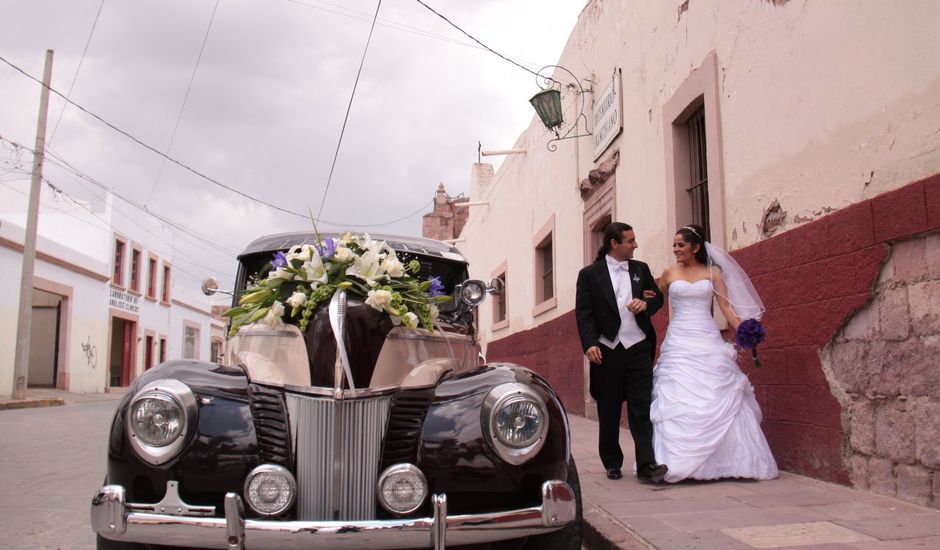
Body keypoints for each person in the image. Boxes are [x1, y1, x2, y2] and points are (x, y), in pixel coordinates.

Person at [650, 224, 778, 482]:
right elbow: (656, 300)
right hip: (679, 340)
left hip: (706, 336)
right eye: (674, 245)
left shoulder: (713, 272)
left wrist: (744, 327)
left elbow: (726, 307)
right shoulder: (668, 273)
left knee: (717, 390)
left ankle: (731, 462)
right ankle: (676, 461)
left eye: (681, 245)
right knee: (676, 395)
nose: (676, 249)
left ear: (695, 247)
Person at [575, 222, 668, 482]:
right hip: (607, 350)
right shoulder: (589, 275)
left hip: (638, 346)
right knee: (609, 409)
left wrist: (645, 303)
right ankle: (612, 462)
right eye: (630, 241)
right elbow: (584, 314)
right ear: (614, 244)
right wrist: (590, 343)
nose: (635, 245)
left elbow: (657, 298)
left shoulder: (641, 269)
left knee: (641, 406)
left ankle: (647, 464)